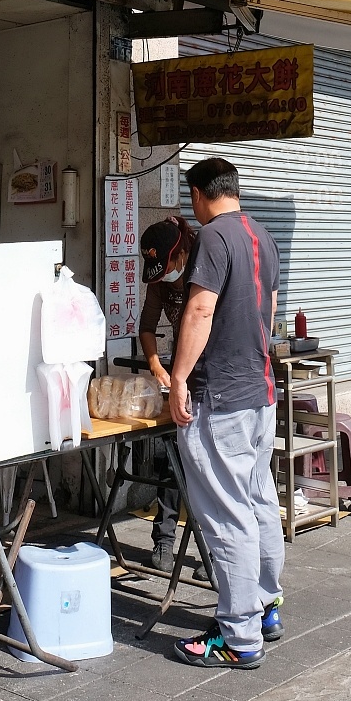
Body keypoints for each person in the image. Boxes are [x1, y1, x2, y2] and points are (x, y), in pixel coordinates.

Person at [168, 156, 284, 670]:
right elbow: (272, 308)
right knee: (259, 501)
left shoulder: (214, 237)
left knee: (227, 513)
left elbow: (199, 309)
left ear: (199, 194)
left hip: (221, 399)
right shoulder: (263, 235)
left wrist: (177, 378)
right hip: (260, 393)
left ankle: (239, 637)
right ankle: (266, 608)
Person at [138, 215, 199, 572]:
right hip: (178, 375)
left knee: (207, 469)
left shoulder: (204, 267)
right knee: (172, 458)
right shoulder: (161, 279)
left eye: (167, 268)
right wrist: (157, 366)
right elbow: (146, 326)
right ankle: (163, 538)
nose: (164, 278)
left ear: (180, 254)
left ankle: (209, 546)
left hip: (208, 377)